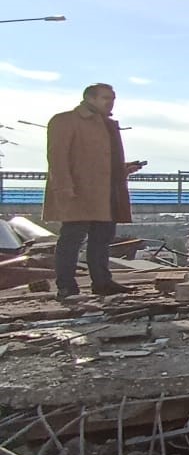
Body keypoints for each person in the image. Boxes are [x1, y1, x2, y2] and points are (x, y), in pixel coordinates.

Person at [45, 83, 142, 299]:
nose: (110, 102)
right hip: (79, 191)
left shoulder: (107, 124)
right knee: (72, 239)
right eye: (105, 98)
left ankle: (102, 282)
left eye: (112, 98)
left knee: (102, 239)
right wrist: (64, 187)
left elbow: (102, 160)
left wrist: (123, 170)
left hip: (106, 192)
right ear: (89, 98)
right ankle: (66, 286)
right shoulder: (65, 121)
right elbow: (57, 158)